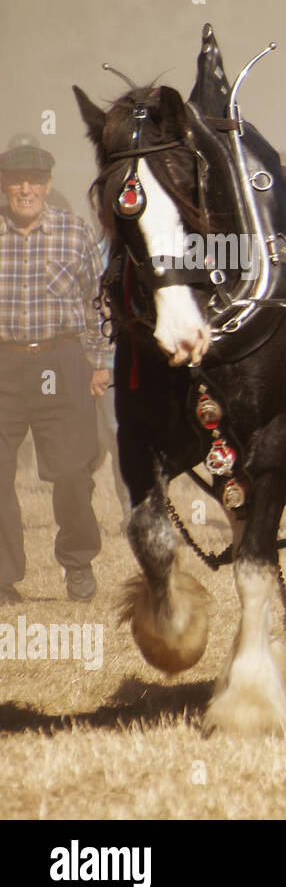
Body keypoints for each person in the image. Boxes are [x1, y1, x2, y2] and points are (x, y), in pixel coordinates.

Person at [0, 144, 109, 603]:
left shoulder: (74, 233)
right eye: (15, 180)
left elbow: (99, 304)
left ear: (46, 185)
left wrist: (100, 363)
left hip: (62, 363)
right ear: (5, 187)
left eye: (33, 180)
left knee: (70, 472)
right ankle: (3, 578)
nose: (24, 189)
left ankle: (78, 563)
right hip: (4, 364)